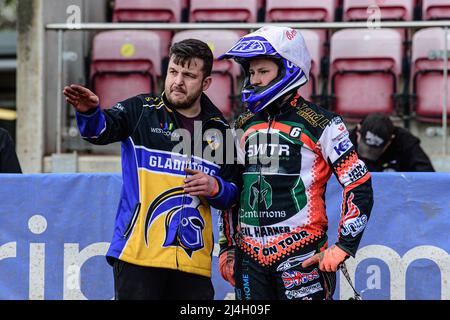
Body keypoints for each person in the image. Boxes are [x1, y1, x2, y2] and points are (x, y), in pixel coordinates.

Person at [63, 39, 240, 300]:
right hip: (138, 256)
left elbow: (234, 194)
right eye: (173, 71)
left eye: (189, 75)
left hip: (194, 263)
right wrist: (90, 113)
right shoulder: (141, 110)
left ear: (206, 83)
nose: (178, 81)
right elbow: (100, 131)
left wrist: (216, 188)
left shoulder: (220, 131)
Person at [217, 25, 374, 300]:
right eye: (251, 72)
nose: (255, 80)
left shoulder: (323, 123)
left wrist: (344, 246)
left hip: (302, 257)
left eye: (263, 71)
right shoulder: (241, 124)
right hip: (249, 258)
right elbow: (232, 190)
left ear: (289, 68)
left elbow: (358, 183)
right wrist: (228, 247)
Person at [349, 112, 435, 172]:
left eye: (375, 150)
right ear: (358, 131)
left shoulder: (405, 141)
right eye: (365, 146)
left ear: (390, 141)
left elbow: (427, 175)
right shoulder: (344, 139)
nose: (368, 153)